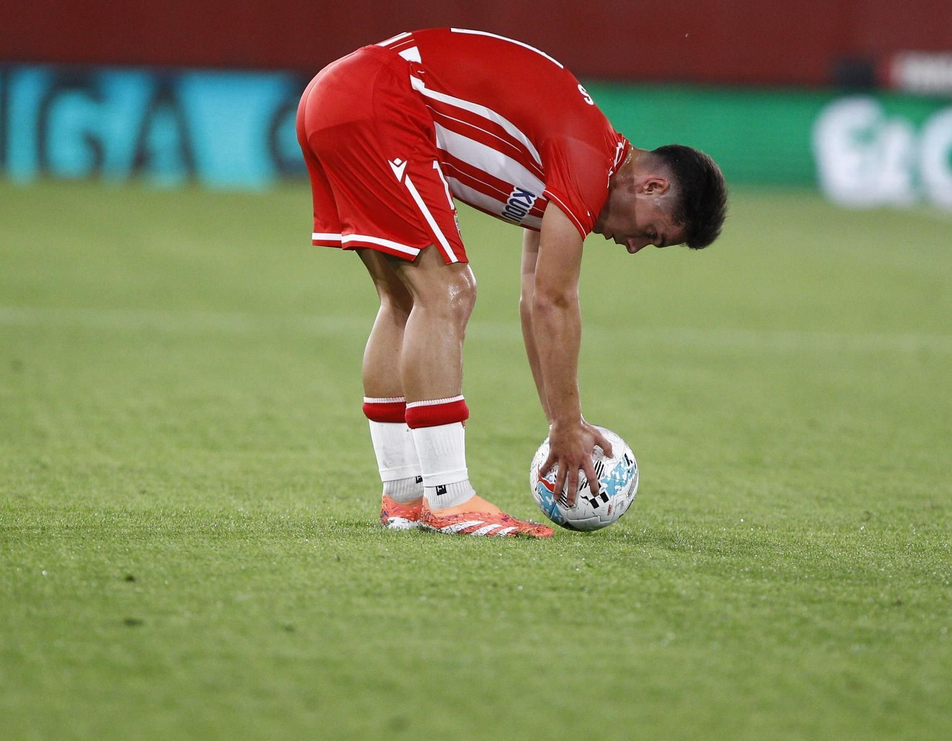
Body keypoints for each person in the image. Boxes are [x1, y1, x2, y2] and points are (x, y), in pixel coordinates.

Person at [296, 27, 727, 537]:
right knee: (448, 291)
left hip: (336, 95)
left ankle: (405, 496)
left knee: (404, 300)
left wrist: (559, 420)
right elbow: (554, 300)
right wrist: (567, 424)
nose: (635, 247)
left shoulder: (576, 158)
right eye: (652, 235)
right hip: (379, 101)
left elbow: (531, 296)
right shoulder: (588, 159)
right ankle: (449, 499)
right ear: (652, 185)